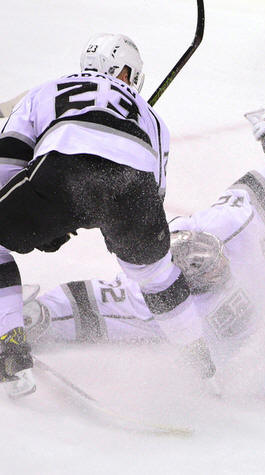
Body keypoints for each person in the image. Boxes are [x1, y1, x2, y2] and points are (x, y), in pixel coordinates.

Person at [22, 87, 265, 370]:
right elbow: (92, 304)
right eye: (198, 272)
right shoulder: (171, 305)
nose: (208, 270)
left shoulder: (227, 228)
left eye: (205, 262)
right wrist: (32, 317)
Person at [0, 34, 211, 398]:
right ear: (126, 72)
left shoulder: (46, 90)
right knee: (157, 276)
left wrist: (38, 219)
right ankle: (203, 368)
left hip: (63, 172)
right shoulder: (153, 119)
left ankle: (10, 345)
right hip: (135, 188)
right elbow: (156, 194)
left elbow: (7, 161)